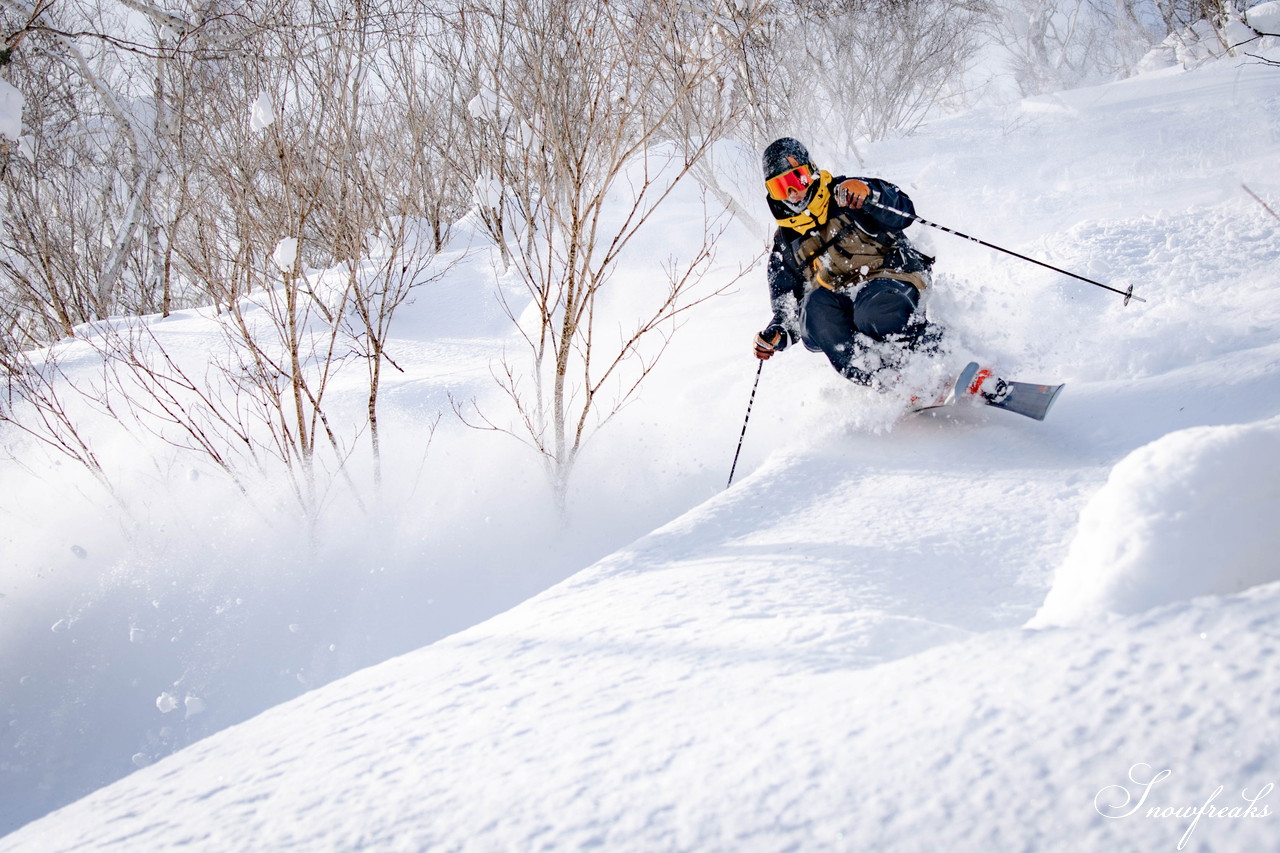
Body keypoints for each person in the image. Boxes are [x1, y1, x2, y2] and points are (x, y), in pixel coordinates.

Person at [752, 137, 959, 397]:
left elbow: (903, 211)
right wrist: (778, 333)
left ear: (811, 171)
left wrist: (871, 194)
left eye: (798, 180)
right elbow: (788, 306)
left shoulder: (845, 193)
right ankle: (894, 381)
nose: (793, 193)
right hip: (840, 297)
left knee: (872, 312)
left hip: (891, 276)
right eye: (781, 188)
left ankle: (949, 358)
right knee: (814, 310)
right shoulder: (786, 242)